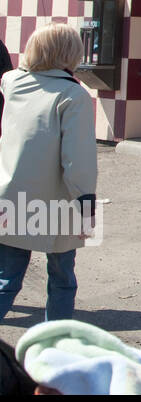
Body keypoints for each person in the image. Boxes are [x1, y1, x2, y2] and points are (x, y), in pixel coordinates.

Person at [0, 24, 97, 322]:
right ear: (71, 53)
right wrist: (87, 203)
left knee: (6, 278)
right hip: (58, 200)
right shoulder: (73, 94)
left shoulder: (12, 82)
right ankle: (54, 344)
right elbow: (78, 158)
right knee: (62, 279)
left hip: (11, 192)